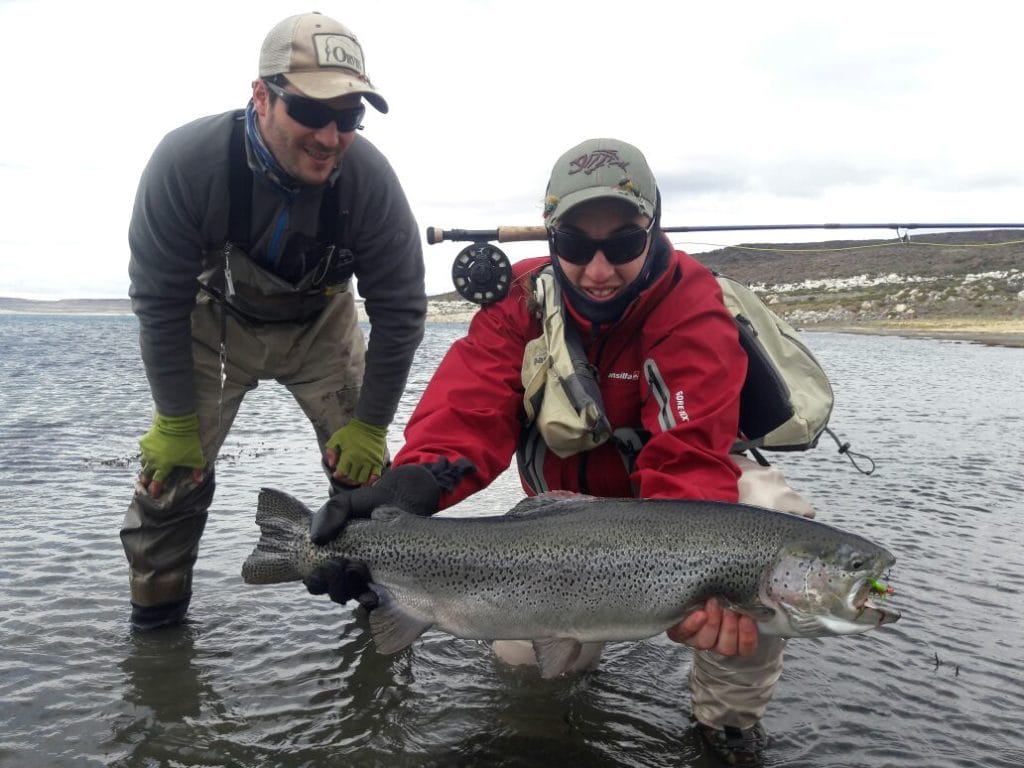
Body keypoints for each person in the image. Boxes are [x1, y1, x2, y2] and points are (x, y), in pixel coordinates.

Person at [305, 138, 814, 767]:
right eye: (575, 245)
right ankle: (545, 732)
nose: (598, 270)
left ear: (652, 232)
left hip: (667, 514)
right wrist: (403, 492)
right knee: (526, 681)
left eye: (623, 244)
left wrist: (697, 579)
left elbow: (689, 458)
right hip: (562, 533)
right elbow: (466, 417)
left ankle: (726, 728)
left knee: (767, 523)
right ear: (552, 240)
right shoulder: (518, 304)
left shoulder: (693, 308)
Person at [121, 12, 426, 632]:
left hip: (323, 327)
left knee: (368, 484)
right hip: (215, 321)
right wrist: (176, 421)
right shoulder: (188, 162)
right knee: (171, 482)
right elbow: (159, 301)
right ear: (260, 96)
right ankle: (157, 643)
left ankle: (384, 625)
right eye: (311, 112)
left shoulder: (369, 181)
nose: (330, 136)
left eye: (349, 117)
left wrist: (370, 426)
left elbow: (401, 311)